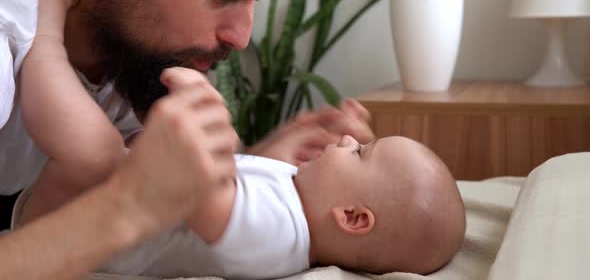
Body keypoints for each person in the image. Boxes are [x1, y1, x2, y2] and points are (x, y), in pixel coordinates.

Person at [0, 0, 374, 279]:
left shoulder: (137, 48)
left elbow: (176, 206)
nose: (242, 38)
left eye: (253, 0)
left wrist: (268, 176)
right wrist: (126, 209)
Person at [31, 135, 463, 279]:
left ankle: (43, 43)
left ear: (351, 218)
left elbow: (204, 195)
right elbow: (250, 176)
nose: (349, 141)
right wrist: (285, 142)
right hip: (82, 200)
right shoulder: (292, 205)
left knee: (89, 147)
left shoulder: (280, 234)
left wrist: (202, 118)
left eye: (360, 153)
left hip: (63, 217)